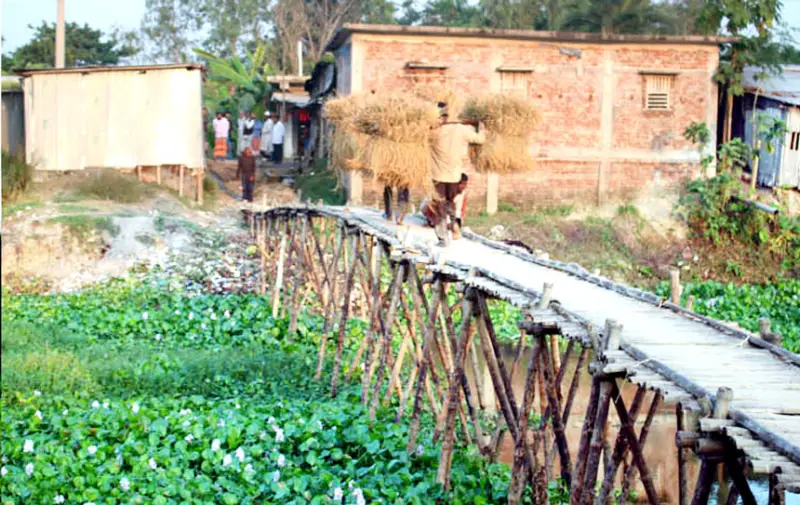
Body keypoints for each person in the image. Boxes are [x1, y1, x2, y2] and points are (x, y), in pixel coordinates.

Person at [430, 103, 485, 243]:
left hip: (438, 175)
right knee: (451, 203)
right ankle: (455, 224)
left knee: (440, 206)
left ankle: (442, 238)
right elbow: (480, 140)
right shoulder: (462, 130)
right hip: (454, 175)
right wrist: (482, 125)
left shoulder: (434, 132)